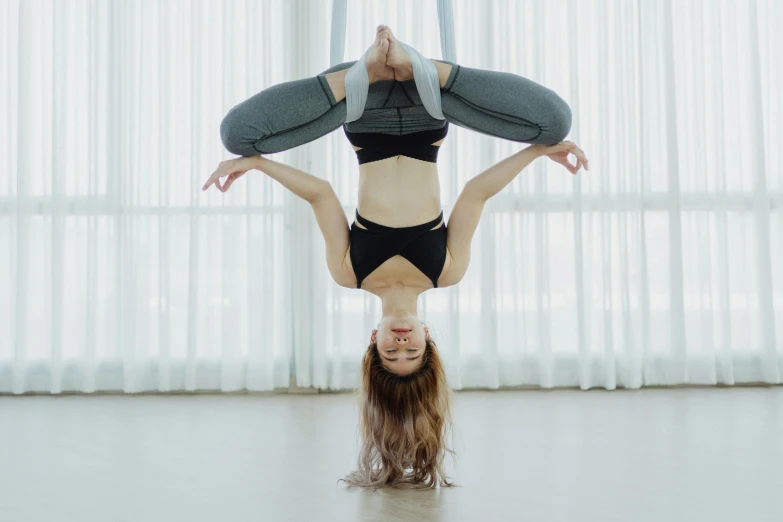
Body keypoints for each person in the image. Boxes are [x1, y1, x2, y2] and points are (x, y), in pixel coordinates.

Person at [203, 26, 588, 489]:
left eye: (391, 351)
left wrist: (256, 164)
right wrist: (540, 152)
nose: (401, 342)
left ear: (374, 340)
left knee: (238, 136)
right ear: (428, 339)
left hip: (362, 111)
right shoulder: (446, 271)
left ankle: (366, 72)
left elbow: (321, 196)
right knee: (555, 123)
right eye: (413, 350)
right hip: (430, 109)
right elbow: (475, 194)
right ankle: (426, 70)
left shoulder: (351, 273)